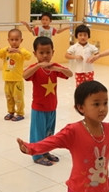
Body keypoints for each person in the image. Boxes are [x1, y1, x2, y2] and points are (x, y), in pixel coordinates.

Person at [23, 36, 73, 166]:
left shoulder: (54, 66)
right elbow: (24, 75)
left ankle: (46, 151)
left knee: (49, 133)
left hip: (52, 107)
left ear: (53, 52)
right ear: (35, 54)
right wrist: (39, 65)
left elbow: (70, 74)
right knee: (38, 132)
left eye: (48, 52)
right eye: (41, 53)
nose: (45, 56)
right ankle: (37, 155)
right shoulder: (34, 68)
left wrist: (57, 69)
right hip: (39, 108)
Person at [0, 28, 32, 121]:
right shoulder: (6, 51)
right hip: (7, 79)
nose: (14, 42)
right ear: (8, 40)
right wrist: (6, 49)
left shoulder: (22, 51)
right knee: (9, 97)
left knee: (18, 98)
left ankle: (20, 113)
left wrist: (19, 51)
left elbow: (29, 56)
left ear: (21, 40)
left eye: (16, 40)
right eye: (12, 40)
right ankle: (10, 112)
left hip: (17, 80)